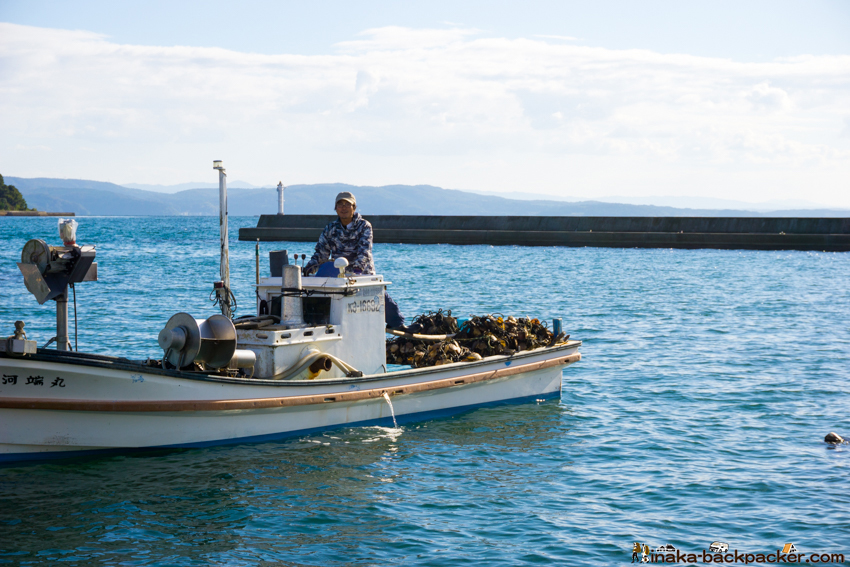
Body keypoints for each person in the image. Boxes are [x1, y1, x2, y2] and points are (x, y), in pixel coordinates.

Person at [303, 191, 406, 329]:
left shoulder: (364, 226)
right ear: (335, 208)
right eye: (340, 205)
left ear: (354, 207)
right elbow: (321, 253)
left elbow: (364, 251)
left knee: (378, 293)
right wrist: (309, 268)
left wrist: (356, 272)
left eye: (347, 204)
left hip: (362, 272)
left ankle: (398, 323)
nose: (343, 208)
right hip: (338, 274)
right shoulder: (330, 228)